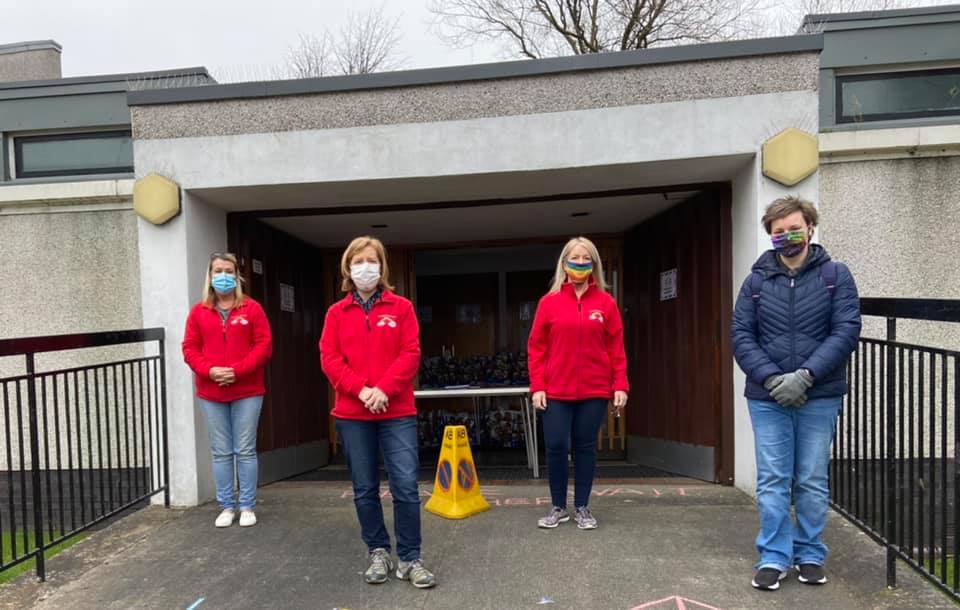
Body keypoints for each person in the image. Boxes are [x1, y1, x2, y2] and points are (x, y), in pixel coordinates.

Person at [732, 196, 861, 591]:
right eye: (777, 230)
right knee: (773, 479)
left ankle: (809, 554)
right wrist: (773, 379)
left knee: (810, 478)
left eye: (793, 227)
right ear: (769, 235)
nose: (786, 235)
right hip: (767, 397)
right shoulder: (755, 282)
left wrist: (805, 376)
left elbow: (846, 330)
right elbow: (741, 334)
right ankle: (773, 556)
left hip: (819, 394)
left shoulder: (836, 276)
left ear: (810, 227)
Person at [319, 236, 436, 589]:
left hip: (396, 410)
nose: (365, 267)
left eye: (371, 260)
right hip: (354, 414)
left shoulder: (401, 308)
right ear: (347, 268)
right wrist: (362, 390)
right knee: (364, 488)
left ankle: (410, 558)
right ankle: (378, 552)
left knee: (405, 486)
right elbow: (330, 359)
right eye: (358, 262)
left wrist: (384, 389)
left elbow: (410, 353)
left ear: (382, 266)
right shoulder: (336, 313)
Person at [527, 236, 629, 530]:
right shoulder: (549, 302)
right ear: (564, 263)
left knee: (585, 447)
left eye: (586, 259)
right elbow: (536, 348)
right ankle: (558, 506)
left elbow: (616, 348)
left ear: (594, 264)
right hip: (556, 390)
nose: (580, 263)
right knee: (557, 445)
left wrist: (619, 384)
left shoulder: (606, 303)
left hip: (594, 390)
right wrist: (539, 387)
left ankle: (582, 507)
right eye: (575, 258)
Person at [182, 252, 273, 528]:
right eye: (218, 270)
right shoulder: (198, 312)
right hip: (212, 392)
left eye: (228, 270)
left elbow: (264, 345)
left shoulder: (252, 309)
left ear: (237, 276)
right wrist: (210, 371)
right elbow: (190, 348)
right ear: (210, 276)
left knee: (244, 449)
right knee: (221, 450)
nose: (223, 276)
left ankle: (247, 505)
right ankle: (226, 506)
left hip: (247, 390)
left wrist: (238, 370)